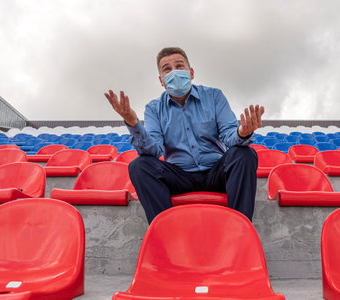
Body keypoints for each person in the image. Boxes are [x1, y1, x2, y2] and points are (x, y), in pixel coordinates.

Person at [105, 47, 264, 224]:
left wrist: (243, 132)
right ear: (161, 81)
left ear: (191, 72)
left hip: (216, 172)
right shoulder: (154, 108)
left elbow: (229, 136)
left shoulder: (214, 96)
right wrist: (133, 123)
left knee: (244, 154)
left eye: (179, 66)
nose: (174, 72)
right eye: (167, 69)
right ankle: (165, 230)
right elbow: (153, 150)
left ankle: (240, 228)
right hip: (180, 176)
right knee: (139, 166)